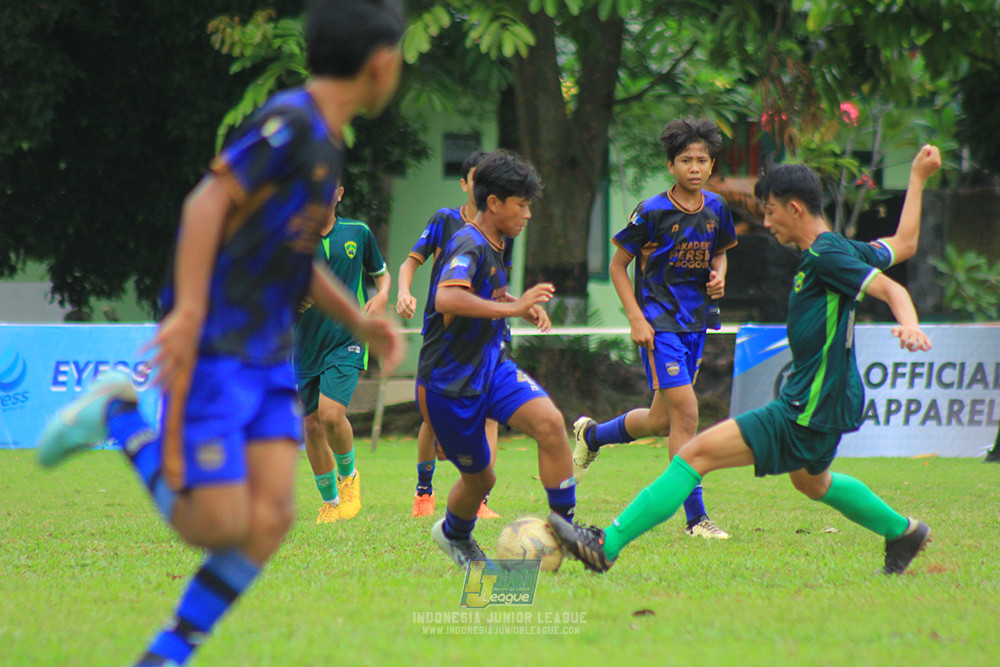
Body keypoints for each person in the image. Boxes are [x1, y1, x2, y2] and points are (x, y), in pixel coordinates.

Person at [35, 1, 405, 665]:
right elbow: (207, 201)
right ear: (381, 62)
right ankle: (120, 414)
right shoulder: (290, 121)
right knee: (211, 523)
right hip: (216, 341)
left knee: (269, 520)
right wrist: (186, 313)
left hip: (268, 349)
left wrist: (357, 320)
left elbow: (293, 254)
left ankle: (165, 655)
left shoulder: (325, 145)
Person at [550, 145, 942, 576]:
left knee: (694, 455)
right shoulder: (842, 249)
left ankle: (608, 543)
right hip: (828, 400)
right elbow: (903, 244)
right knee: (812, 482)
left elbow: (892, 290)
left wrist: (910, 324)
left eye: (771, 212)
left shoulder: (828, 257)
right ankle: (903, 531)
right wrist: (918, 178)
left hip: (807, 405)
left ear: (795, 208)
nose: (766, 222)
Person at [572, 119, 737, 540]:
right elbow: (617, 266)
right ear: (671, 165)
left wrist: (718, 276)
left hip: (696, 322)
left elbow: (720, 255)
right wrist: (636, 318)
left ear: (711, 164)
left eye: (702, 160)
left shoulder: (717, 207)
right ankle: (696, 519)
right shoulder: (651, 211)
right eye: (686, 160)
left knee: (662, 421)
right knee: (687, 412)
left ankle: (593, 435)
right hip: (659, 323)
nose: (695, 167)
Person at [417, 150, 572, 569]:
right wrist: (513, 308)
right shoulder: (466, 241)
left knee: (551, 423)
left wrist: (512, 302)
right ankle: (454, 534)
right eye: (521, 206)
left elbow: (483, 293)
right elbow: (447, 296)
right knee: (481, 479)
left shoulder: (496, 242)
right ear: (494, 204)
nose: (528, 215)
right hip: (448, 384)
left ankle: (566, 528)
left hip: (491, 368)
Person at [397, 150, 503, 519]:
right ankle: (424, 492)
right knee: (432, 418)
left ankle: (481, 500)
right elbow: (410, 262)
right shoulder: (445, 221)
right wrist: (404, 292)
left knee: (489, 411)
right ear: (465, 184)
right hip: (442, 335)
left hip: (482, 336)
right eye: (476, 180)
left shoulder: (500, 229)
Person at [295, 185, 391, 523]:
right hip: (305, 344)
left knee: (331, 415)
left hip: (346, 338)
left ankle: (348, 481)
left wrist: (380, 298)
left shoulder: (358, 233)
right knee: (310, 425)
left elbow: (382, 276)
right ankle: (331, 503)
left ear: (339, 193)